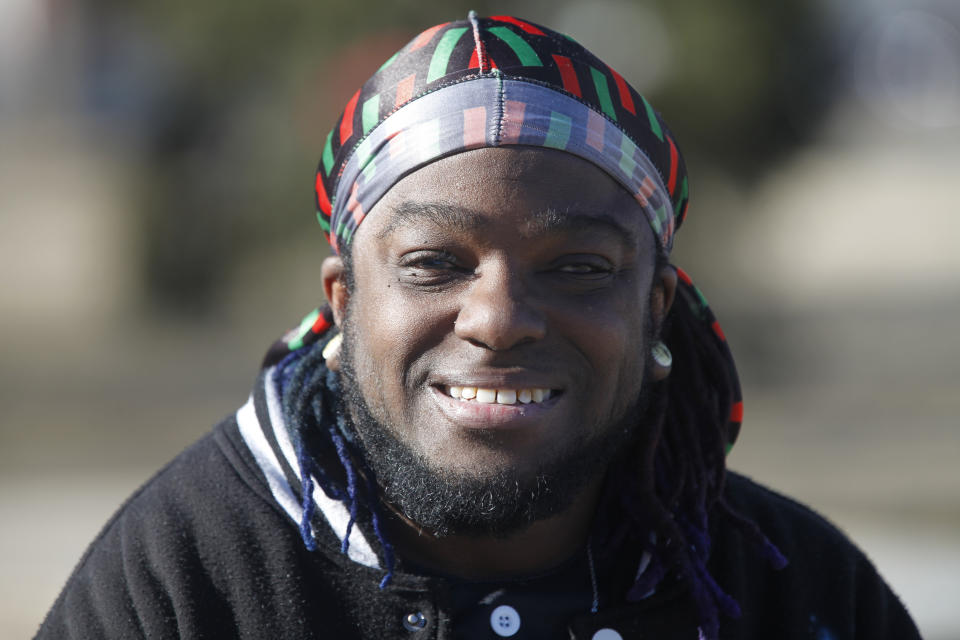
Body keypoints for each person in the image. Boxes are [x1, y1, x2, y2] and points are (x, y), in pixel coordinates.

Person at [37, 13, 920, 640]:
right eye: (434, 264)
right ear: (344, 301)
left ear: (655, 307)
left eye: (578, 267)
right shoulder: (185, 576)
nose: (498, 321)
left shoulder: (793, 591)